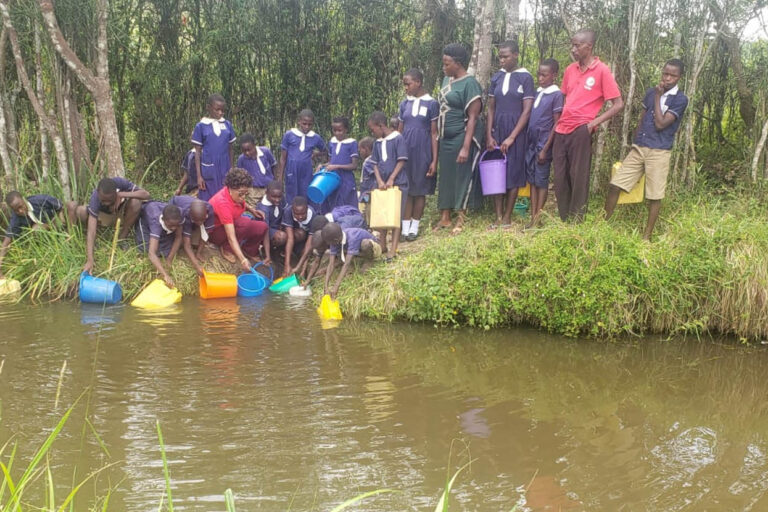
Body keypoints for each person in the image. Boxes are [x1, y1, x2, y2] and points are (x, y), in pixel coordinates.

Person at [604, 59, 688, 240]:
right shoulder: (651, 92)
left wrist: (658, 97)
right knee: (615, 185)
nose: (667, 78)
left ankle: (646, 237)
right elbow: (642, 119)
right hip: (640, 147)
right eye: (665, 73)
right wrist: (636, 139)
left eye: (672, 75)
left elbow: (660, 124)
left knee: (654, 195)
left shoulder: (680, 99)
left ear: (679, 77)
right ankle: (603, 226)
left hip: (659, 151)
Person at [553, 29, 623, 221]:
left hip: (581, 130)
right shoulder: (570, 70)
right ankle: (564, 218)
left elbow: (618, 104)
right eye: (572, 45)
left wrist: (592, 124)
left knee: (578, 176)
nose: (573, 49)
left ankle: (577, 219)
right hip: (561, 129)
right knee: (560, 177)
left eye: (577, 45)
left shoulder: (602, 70)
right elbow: (567, 98)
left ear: (589, 47)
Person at [435, 43, 484, 235]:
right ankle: (445, 217)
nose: (444, 67)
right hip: (445, 138)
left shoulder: (470, 83)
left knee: (462, 175)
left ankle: (461, 217)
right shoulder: (446, 80)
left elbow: (473, 117)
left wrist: (465, 147)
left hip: (461, 136)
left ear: (458, 63)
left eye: (447, 63)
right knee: (446, 176)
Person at [486, 40, 535, 229]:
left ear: (515, 55)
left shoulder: (525, 78)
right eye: (500, 57)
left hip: (517, 131)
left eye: (506, 56)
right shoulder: (496, 78)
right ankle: (497, 216)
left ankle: (507, 217)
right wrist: (490, 135)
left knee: (513, 170)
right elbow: (491, 108)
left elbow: (527, 110)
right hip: (497, 128)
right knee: (496, 170)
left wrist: (513, 136)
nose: (502, 60)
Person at [68, 177, 150, 274]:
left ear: (115, 192)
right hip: (103, 218)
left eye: (110, 200)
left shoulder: (120, 183)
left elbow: (146, 194)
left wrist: (122, 194)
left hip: (122, 215)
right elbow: (91, 231)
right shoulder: (95, 197)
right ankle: (97, 241)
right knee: (81, 211)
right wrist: (90, 260)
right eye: (103, 200)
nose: (106, 203)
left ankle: (121, 239)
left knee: (136, 202)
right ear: (98, 192)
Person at [399, 68, 439, 241]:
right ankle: (404, 228)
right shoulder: (404, 104)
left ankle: (414, 227)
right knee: (407, 190)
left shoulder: (431, 103)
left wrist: (434, 161)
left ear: (418, 82)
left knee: (420, 190)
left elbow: (434, 133)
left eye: (408, 84)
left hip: (423, 152)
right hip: (406, 152)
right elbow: (399, 132)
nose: (406, 88)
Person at [525, 59, 564, 228]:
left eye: (544, 75)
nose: (540, 78)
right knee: (533, 181)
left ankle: (538, 217)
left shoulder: (556, 95)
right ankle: (533, 217)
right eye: (538, 74)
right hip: (532, 143)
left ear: (554, 75)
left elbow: (556, 123)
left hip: (543, 144)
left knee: (541, 182)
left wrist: (545, 148)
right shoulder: (538, 92)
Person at [208, 168, 270, 271]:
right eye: (241, 194)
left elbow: (242, 202)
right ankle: (226, 249)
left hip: (231, 223)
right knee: (244, 223)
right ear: (231, 188)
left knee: (262, 227)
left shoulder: (235, 195)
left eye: (246, 194)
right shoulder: (223, 203)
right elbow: (231, 236)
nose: (243, 197)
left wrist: (252, 210)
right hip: (216, 232)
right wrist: (243, 260)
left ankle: (248, 251)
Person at [368, 111, 408, 262]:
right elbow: (375, 164)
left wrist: (392, 178)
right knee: (382, 213)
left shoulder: (398, 138)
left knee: (395, 215)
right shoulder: (377, 143)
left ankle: (394, 248)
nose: (373, 132)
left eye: (373, 129)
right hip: (382, 184)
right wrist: (379, 180)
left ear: (381, 125)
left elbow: (402, 160)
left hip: (398, 182)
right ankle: (383, 244)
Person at [307, 222, 382, 300]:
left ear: (335, 240)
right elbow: (331, 264)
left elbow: (346, 264)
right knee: (343, 251)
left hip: (374, 248)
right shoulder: (336, 239)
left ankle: (369, 260)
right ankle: (356, 257)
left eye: (328, 242)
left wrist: (336, 287)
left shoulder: (353, 237)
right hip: (357, 250)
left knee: (365, 244)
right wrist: (326, 287)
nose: (328, 244)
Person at [0, 192, 62, 276]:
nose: (20, 211)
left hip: (60, 222)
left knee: (37, 228)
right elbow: (8, 238)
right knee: (36, 230)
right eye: (16, 210)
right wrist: (1, 261)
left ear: (24, 199)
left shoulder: (40, 200)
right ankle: (48, 254)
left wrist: (52, 223)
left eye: (21, 206)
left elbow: (62, 207)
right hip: (50, 234)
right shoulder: (16, 217)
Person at [191, 93, 236, 201]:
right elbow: (197, 152)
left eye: (222, 110)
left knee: (225, 195)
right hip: (209, 166)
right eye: (217, 109)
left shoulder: (227, 125)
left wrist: (231, 168)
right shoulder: (201, 126)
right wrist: (199, 176)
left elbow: (230, 148)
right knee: (209, 198)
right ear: (208, 108)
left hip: (225, 166)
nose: (220, 113)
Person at [277, 109, 326, 205]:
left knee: (305, 194)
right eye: (304, 123)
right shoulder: (289, 135)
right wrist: (280, 178)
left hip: (306, 172)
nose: (307, 127)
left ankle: (306, 216)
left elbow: (324, 151)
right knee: (291, 195)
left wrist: (315, 154)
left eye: (310, 124)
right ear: (299, 121)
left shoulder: (315, 137)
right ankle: (290, 216)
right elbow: (283, 158)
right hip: (291, 171)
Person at [135, 202, 183, 288]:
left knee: (166, 252)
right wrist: (165, 275)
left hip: (163, 222)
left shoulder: (179, 215)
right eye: (171, 225)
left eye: (176, 225)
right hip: (146, 222)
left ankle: (164, 235)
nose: (174, 228)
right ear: (163, 220)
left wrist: (169, 260)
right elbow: (151, 253)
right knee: (145, 249)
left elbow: (178, 237)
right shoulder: (155, 221)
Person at [168, 195, 215, 277]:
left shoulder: (209, 210)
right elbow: (187, 244)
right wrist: (197, 266)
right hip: (174, 205)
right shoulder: (185, 213)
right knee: (179, 236)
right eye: (197, 221)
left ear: (206, 214)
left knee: (197, 238)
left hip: (194, 212)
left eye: (203, 220)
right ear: (191, 217)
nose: (200, 223)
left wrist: (198, 253)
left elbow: (205, 233)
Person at [321, 116, 359, 211]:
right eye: (335, 130)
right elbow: (331, 162)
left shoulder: (352, 143)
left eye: (340, 130)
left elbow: (354, 165)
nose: (337, 133)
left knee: (347, 204)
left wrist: (337, 166)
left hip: (346, 180)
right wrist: (323, 165)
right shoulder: (332, 142)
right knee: (333, 203)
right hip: (332, 179)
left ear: (346, 130)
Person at [236, 133, 276, 207]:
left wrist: (275, 183)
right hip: (253, 190)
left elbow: (273, 166)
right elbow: (240, 176)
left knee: (269, 207)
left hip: (268, 187)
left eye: (249, 150)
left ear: (254, 145)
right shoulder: (241, 159)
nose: (247, 153)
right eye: (244, 151)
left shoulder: (265, 152)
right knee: (254, 210)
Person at [282, 196, 315, 277]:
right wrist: (287, 265)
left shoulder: (313, 214)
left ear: (307, 209)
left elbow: (309, 243)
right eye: (297, 214)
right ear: (292, 210)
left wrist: (300, 267)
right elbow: (290, 238)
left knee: (305, 252)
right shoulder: (288, 211)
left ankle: (303, 271)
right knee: (300, 233)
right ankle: (283, 253)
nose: (300, 216)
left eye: (303, 213)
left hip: (307, 239)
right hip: (296, 236)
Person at [256, 180, 287, 252]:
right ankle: (267, 250)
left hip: (276, 227)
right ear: (266, 193)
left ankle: (279, 251)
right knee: (281, 237)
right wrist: (268, 256)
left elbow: (285, 212)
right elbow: (265, 231)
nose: (277, 200)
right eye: (274, 197)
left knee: (294, 232)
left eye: (279, 197)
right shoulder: (263, 208)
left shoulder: (281, 198)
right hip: (265, 231)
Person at [357, 136, 376, 205]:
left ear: (366, 149)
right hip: (367, 191)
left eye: (360, 150)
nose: (359, 152)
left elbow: (375, 177)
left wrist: (372, 190)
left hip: (367, 191)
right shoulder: (375, 159)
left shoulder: (368, 162)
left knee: (367, 207)